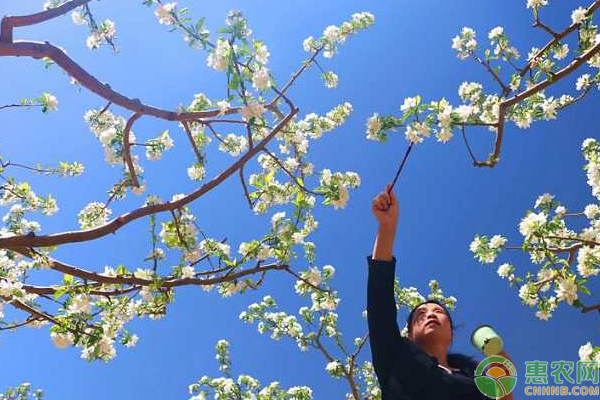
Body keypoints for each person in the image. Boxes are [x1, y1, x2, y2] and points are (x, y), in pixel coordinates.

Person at [367, 185, 514, 400]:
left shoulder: (473, 378)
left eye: (438, 311)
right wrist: (387, 226)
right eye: (421, 314)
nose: (431, 314)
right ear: (408, 334)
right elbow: (379, 299)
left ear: (452, 334)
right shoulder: (395, 356)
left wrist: (498, 354)